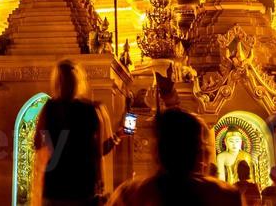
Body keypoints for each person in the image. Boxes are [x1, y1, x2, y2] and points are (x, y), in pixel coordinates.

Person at [107, 108, 243, 206]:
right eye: (202, 147)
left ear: (156, 151)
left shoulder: (130, 195)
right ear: (199, 153)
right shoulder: (224, 196)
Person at [32, 60, 117, 205]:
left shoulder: (50, 108)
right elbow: (97, 151)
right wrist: (100, 180)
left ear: (57, 82)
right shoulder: (91, 109)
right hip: (83, 181)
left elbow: (38, 142)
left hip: (55, 182)